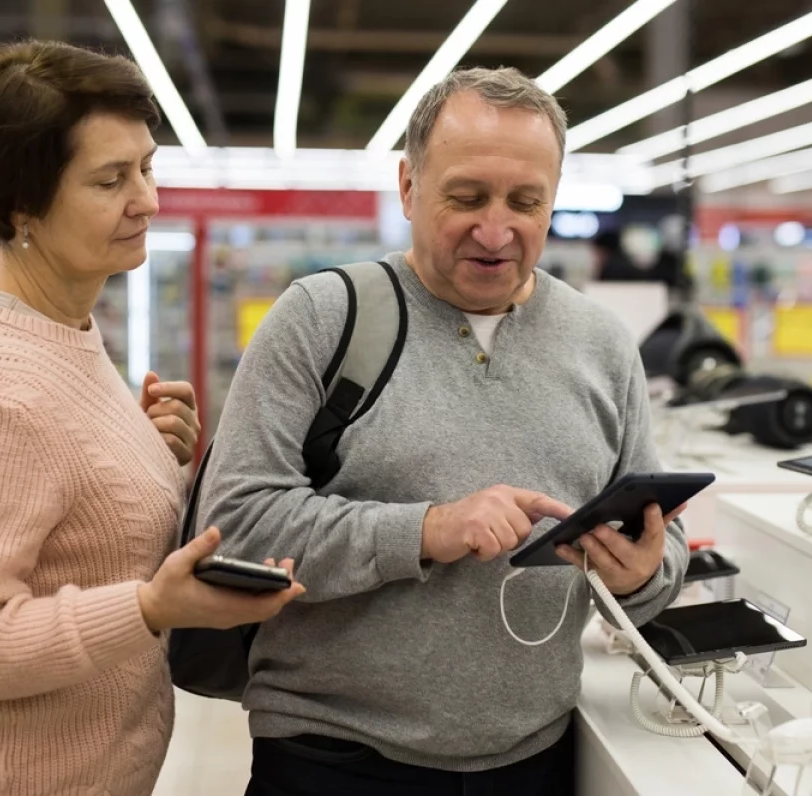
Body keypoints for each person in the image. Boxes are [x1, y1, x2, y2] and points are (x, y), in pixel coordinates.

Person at [199, 66, 690, 795]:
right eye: (466, 197)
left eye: (527, 202)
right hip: (331, 755)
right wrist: (426, 530)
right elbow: (236, 527)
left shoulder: (603, 344)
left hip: (533, 759)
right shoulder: (320, 319)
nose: (496, 230)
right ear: (407, 186)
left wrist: (646, 572)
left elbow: (662, 542)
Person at [0, 41, 304, 796]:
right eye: (110, 180)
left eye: (146, 168)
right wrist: (147, 608)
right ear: (23, 208)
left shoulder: (62, 331)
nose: (147, 200)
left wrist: (141, 455)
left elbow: (58, 517)